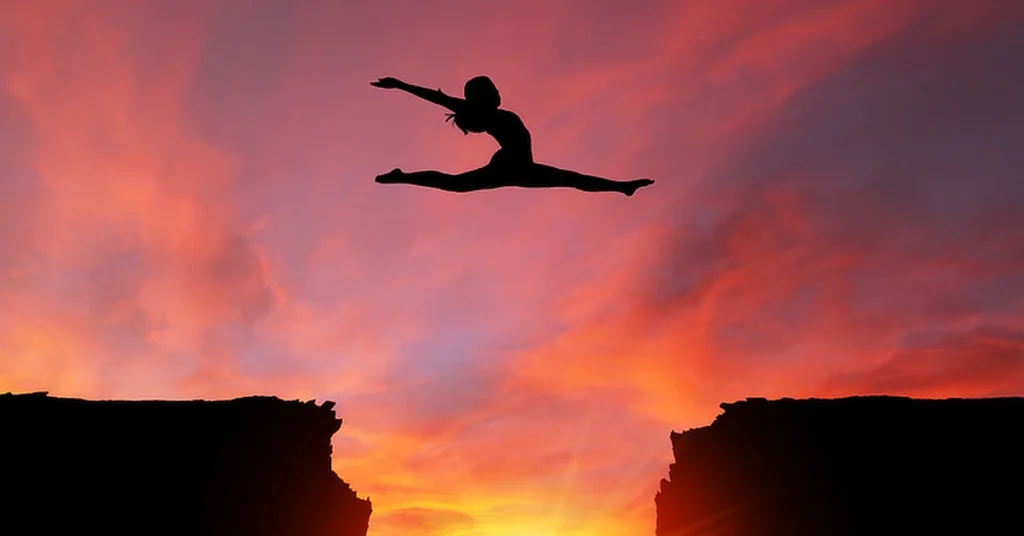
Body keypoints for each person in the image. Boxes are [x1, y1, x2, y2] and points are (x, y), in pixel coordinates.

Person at [370, 75, 655, 196]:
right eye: (491, 91)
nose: (497, 93)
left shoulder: (495, 114)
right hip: (510, 166)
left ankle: (622, 188)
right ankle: (402, 176)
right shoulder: (487, 113)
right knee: (455, 185)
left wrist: (399, 85)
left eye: (495, 89)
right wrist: (400, 85)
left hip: (522, 169)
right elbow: (435, 97)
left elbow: (438, 98)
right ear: (482, 97)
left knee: (574, 180)